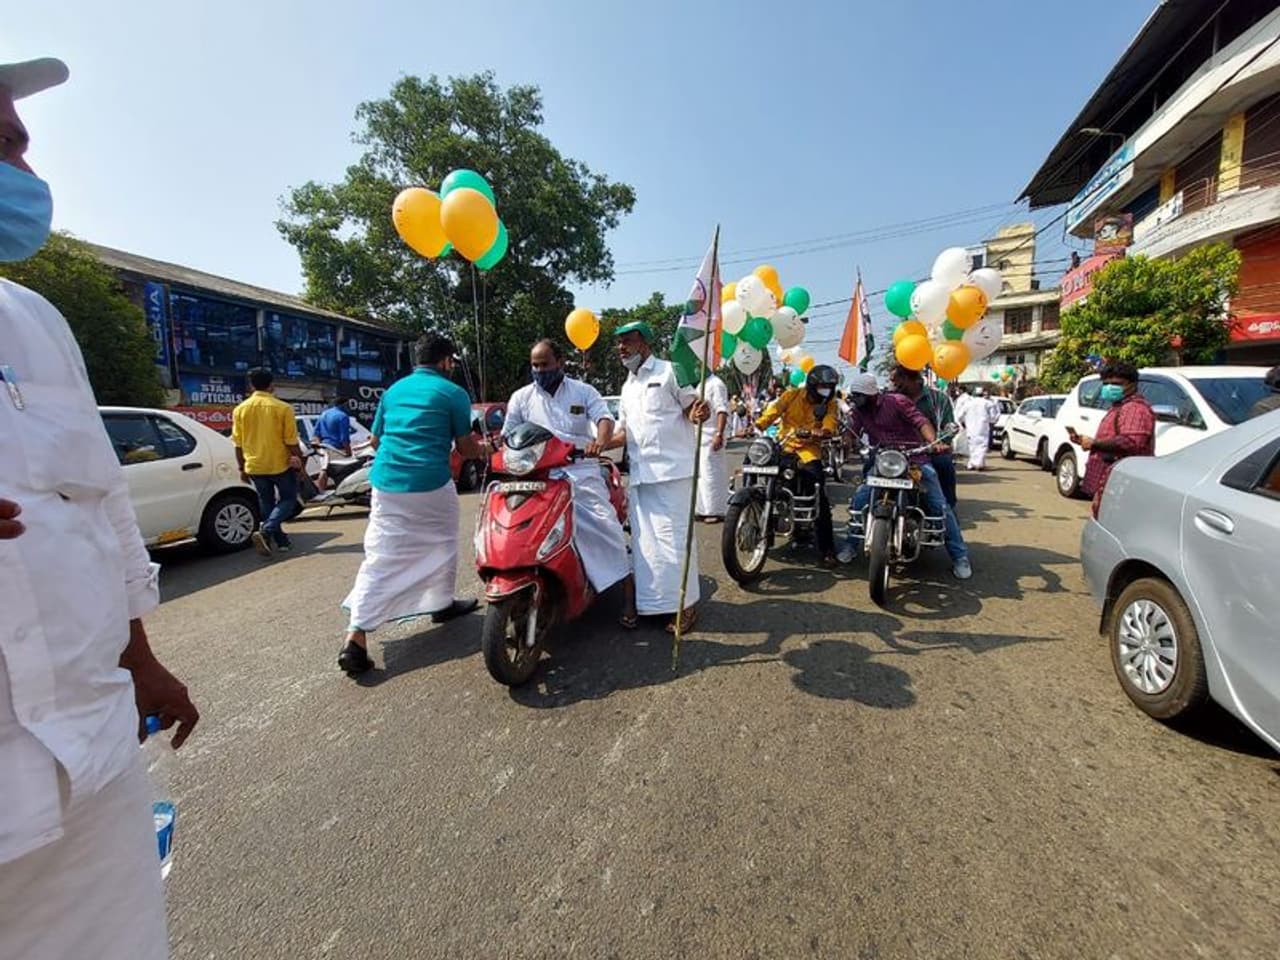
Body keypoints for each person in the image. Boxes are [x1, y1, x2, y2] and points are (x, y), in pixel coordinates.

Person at [0, 56, 199, 960]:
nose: (29, 179)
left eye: (24, 150)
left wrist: (144, 662)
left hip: (90, 751)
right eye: (6, 147)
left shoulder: (37, 322)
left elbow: (104, 508)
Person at [337, 333, 484, 675]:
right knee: (445, 544)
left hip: (386, 483)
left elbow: (375, 439)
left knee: (381, 555)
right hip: (430, 484)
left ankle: (355, 635)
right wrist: (488, 450)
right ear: (447, 362)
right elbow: (466, 448)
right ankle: (441, 605)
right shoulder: (454, 393)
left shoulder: (393, 391)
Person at [503, 338, 631, 596]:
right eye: (534, 366)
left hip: (580, 470)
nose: (539, 371)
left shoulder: (584, 391)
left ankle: (628, 590)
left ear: (560, 362)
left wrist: (601, 441)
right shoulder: (521, 397)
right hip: (536, 474)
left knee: (605, 524)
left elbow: (604, 419)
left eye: (544, 364)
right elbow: (508, 434)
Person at [607, 321, 710, 632]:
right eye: (619, 343)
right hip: (641, 477)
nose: (622, 347)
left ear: (645, 343)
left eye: (628, 341)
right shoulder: (627, 387)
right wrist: (599, 443)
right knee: (647, 546)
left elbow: (691, 408)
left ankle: (687, 605)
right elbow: (623, 432)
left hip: (673, 474)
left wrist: (698, 413)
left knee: (676, 543)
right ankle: (656, 605)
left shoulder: (671, 370)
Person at [837, 372, 972, 579]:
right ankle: (851, 546)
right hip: (884, 460)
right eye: (856, 397)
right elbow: (852, 429)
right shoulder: (859, 409)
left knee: (940, 506)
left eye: (861, 396)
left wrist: (934, 442)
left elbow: (921, 422)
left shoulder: (897, 402)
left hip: (914, 460)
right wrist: (846, 440)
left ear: (873, 394)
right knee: (860, 500)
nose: (858, 400)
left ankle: (960, 557)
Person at [755, 365, 841, 565]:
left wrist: (824, 432)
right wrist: (758, 425)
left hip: (808, 452)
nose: (826, 390)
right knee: (754, 463)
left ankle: (827, 550)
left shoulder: (830, 405)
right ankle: (755, 512)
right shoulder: (791, 396)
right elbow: (773, 412)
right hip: (784, 447)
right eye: (822, 386)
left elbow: (830, 423)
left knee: (819, 497)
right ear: (811, 385)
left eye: (829, 387)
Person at [232, 368, 306, 556]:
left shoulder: (240, 410)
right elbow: (291, 441)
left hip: (254, 465)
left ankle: (281, 541)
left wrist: (241, 467)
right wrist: (301, 463)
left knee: (267, 503)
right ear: (272, 385)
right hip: (279, 464)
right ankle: (267, 530)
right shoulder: (283, 408)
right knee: (289, 499)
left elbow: (237, 444)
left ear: (251, 385)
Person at [1070, 362, 1155, 518]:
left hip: (1120, 484)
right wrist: (1086, 441)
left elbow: (1131, 442)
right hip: (1109, 482)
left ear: (1132, 385)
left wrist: (1094, 443)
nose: (1109, 388)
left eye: (1116, 384)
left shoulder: (1135, 408)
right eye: (1106, 384)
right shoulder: (1119, 407)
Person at [890, 365, 958, 508]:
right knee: (871, 465)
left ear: (909, 379)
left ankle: (947, 510)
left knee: (944, 465)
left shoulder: (939, 399)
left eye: (896, 382)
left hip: (928, 450)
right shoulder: (891, 399)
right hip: (895, 452)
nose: (893, 385)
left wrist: (939, 444)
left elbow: (948, 426)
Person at [696, 370, 731, 522]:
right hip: (699, 436)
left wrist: (719, 433)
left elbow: (721, 410)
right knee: (701, 475)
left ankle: (714, 510)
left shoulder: (716, 384)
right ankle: (702, 508)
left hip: (711, 436)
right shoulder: (700, 384)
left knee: (712, 475)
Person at [961, 386, 995, 471]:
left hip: (970, 428)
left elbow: (960, 415)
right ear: (982, 394)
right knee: (982, 446)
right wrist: (990, 421)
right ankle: (978, 464)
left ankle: (973, 463)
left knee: (972, 446)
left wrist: (963, 423)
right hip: (982, 427)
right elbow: (994, 417)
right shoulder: (988, 403)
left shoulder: (968, 403)